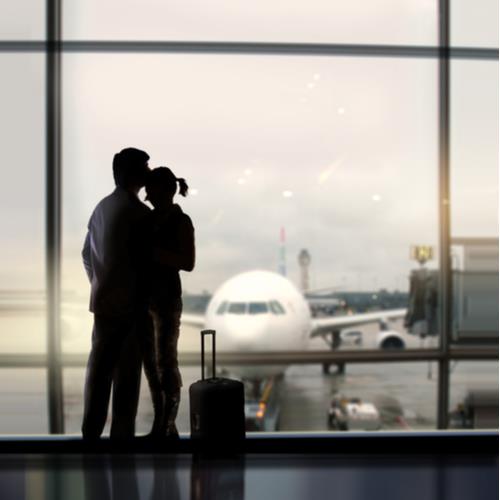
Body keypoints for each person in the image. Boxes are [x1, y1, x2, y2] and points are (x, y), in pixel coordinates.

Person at [81, 147, 151, 440]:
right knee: (126, 381)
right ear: (132, 173)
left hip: (104, 305)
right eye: (145, 168)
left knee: (98, 375)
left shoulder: (102, 207)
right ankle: (121, 444)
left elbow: (86, 253)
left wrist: (99, 284)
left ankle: (90, 437)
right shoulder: (139, 213)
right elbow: (147, 265)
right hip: (131, 309)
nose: (149, 173)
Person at [142, 167, 195, 438]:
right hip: (148, 299)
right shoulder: (152, 219)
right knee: (153, 364)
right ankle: (163, 422)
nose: (146, 193)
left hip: (164, 300)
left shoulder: (180, 221)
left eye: (150, 188)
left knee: (165, 362)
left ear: (162, 191)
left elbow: (188, 262)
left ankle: (165, 424)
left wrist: (153, 254)